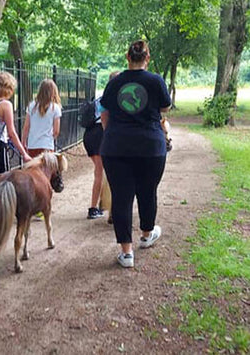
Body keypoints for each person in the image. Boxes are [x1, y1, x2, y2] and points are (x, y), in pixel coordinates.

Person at [100, 40, 171, 268]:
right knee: (147, 191)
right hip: (150, 147)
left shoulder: (115, 83)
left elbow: (105, 112)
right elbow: (165, 107)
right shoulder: (156, 81)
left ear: (127, 57)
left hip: (117, 148)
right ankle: (146, 235)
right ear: (147, 58)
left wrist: (112, 136)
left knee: (121, 197)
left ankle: (126, 253)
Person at [0, 71, 32, 236]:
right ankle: (0, 224)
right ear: (8, 87)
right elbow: (11, 132)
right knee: (4, 187)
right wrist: (23, 153)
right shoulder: (5, 105)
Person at [83, 71, 120, 220]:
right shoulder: (115, 99)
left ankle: (102, 204)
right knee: (103, 172)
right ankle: (96, 208)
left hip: (90, 135)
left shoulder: (101, 96)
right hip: (101, 135)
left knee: (102, 171)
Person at [21, 79, 62, 157]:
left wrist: (23, 142)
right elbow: (56, 131)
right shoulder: (55, 108)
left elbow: (26, 127)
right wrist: (50, 138)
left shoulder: (31, 106)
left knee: (33, 168)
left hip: (32, 145)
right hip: (47, 145)